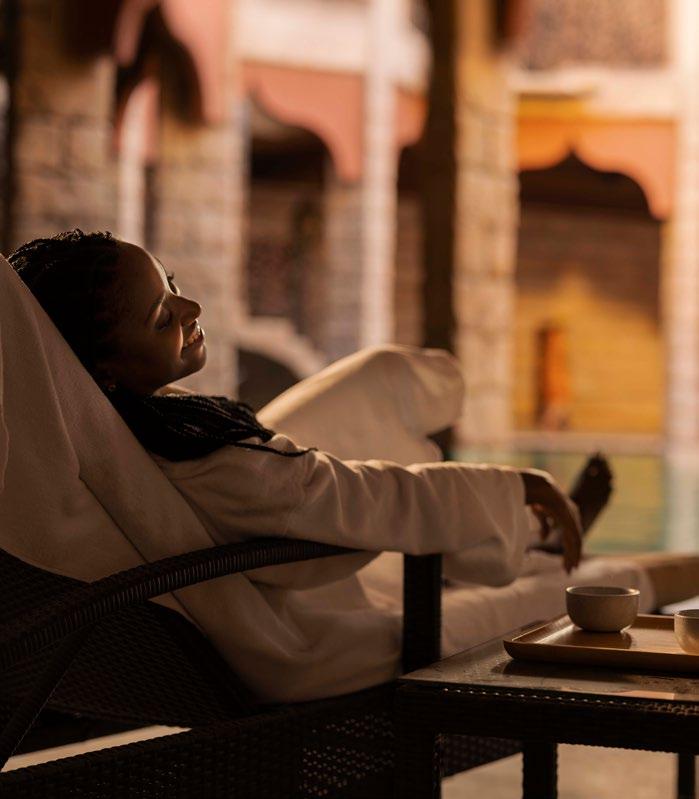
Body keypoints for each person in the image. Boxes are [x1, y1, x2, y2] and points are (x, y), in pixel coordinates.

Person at [7, 229, 647, 702]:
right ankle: (530, 535)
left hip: (279, 548)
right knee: (414, 473)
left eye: (172, 285)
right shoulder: (206, 459)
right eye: (161, 317)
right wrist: (517, 483)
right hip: (298, 624)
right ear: (104, 370)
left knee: (380, 383)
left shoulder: (135, 429)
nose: (191, 308)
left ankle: (517, 536)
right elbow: (358, 498)